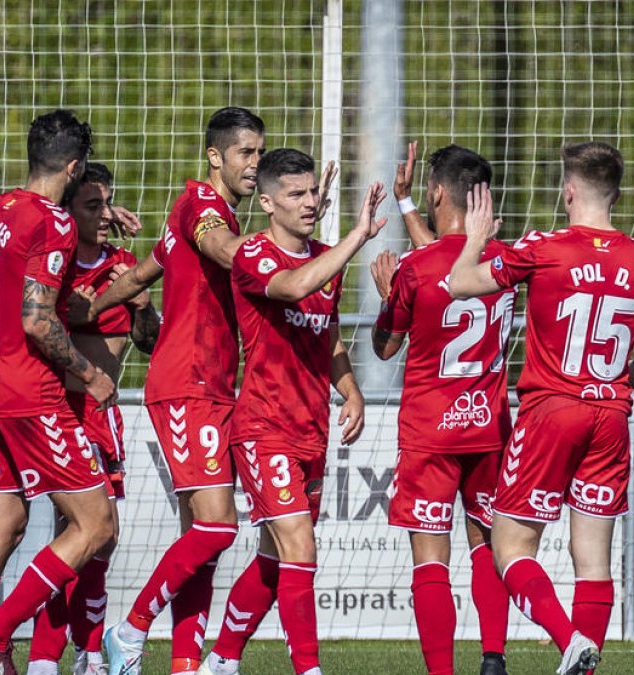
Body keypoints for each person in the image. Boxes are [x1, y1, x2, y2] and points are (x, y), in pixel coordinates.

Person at [448, 142, 634, 675]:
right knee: (593, 560)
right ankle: (585, 665)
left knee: (510, 546)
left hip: (552, 409)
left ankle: (567, 639)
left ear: (568, 191)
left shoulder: (544, 247)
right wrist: (613, 382)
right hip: (612, 416)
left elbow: (460, 284)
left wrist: (476, 239)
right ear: (616, 195)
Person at [195, 149, 384, 675]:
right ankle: (308, 669)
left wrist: (351, 389)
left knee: (276, 557)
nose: (309, 202)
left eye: (312, 193)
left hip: (310, 431)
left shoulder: (326, 259)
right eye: (296, 194)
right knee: (299, 544)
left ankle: (223, 660)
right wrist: (359, 236)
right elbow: (296, 285)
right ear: (268, 201)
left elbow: (328, 336)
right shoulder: (254, 255)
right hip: (263, 428)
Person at [95, 107, 266, 675]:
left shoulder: (195, 216)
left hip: (214, 386)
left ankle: (186, 663)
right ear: (216, 156)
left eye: (260, 153)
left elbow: (143, 274)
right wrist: (281, 254)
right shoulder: (202, 206)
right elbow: (219, 250)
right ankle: (130, 628)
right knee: (218, 526)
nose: (255, 163)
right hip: (186, 384)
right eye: (245, 152)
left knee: (204, 537)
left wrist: (91, 305)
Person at [0, 109, 117, 675]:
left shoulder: (2, 207)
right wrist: (92, 374)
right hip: (30, 392)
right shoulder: (54, 222)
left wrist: (91, 225)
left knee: (2, 528)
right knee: (96, 525)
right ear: (73, 168)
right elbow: (37, 319)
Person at [369, 144, 513, 675]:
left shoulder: (412, 268)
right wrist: (407, 207)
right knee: (487, 546)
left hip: (431, 431)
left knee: (431, 561)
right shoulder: (506, 261)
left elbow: (385, 347)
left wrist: (388, 297)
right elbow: (456, 263)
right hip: (489, 426)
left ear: (436, 193)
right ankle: (494, 657)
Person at [25, 163, 159, 675]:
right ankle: (47, 655)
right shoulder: (55, 267)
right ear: (67, 211)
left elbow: (148, 343)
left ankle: (86, 652)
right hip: (61, 412)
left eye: (108, 204)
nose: (105, 215)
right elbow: (45, 325)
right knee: (80, 536)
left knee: (100, 542)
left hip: (104, 416)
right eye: (92, 206)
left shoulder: (124, 262)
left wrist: (144, 308)